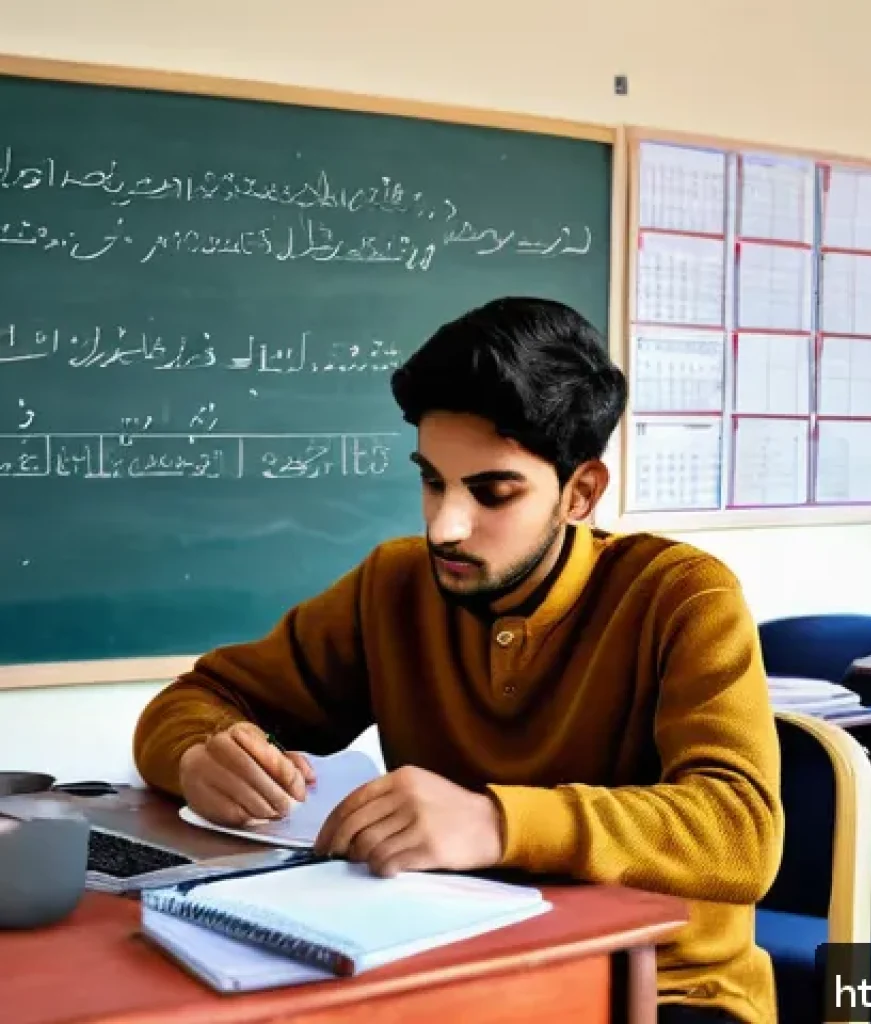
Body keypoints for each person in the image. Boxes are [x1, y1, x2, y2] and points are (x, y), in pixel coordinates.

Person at [133, 296, 784, 1024]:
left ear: (580, 493)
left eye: (492, 493)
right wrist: (198, 756)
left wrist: (495, 822)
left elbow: (741, 831)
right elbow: (196, 700)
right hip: (445, 974)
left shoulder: (682, 594)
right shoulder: (393, 584)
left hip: (661, 991)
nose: (445, 526)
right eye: (432, 480)